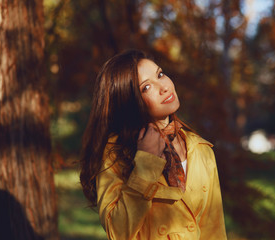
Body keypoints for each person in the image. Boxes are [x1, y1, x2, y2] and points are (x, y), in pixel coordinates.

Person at [79, 49, 227, 240]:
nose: (163, 87)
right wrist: (146, 162)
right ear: (128, 101)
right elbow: (117, 233)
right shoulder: (115, 152)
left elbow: (214, 230)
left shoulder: (200, 149)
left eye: (160, 74)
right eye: (146, 87)